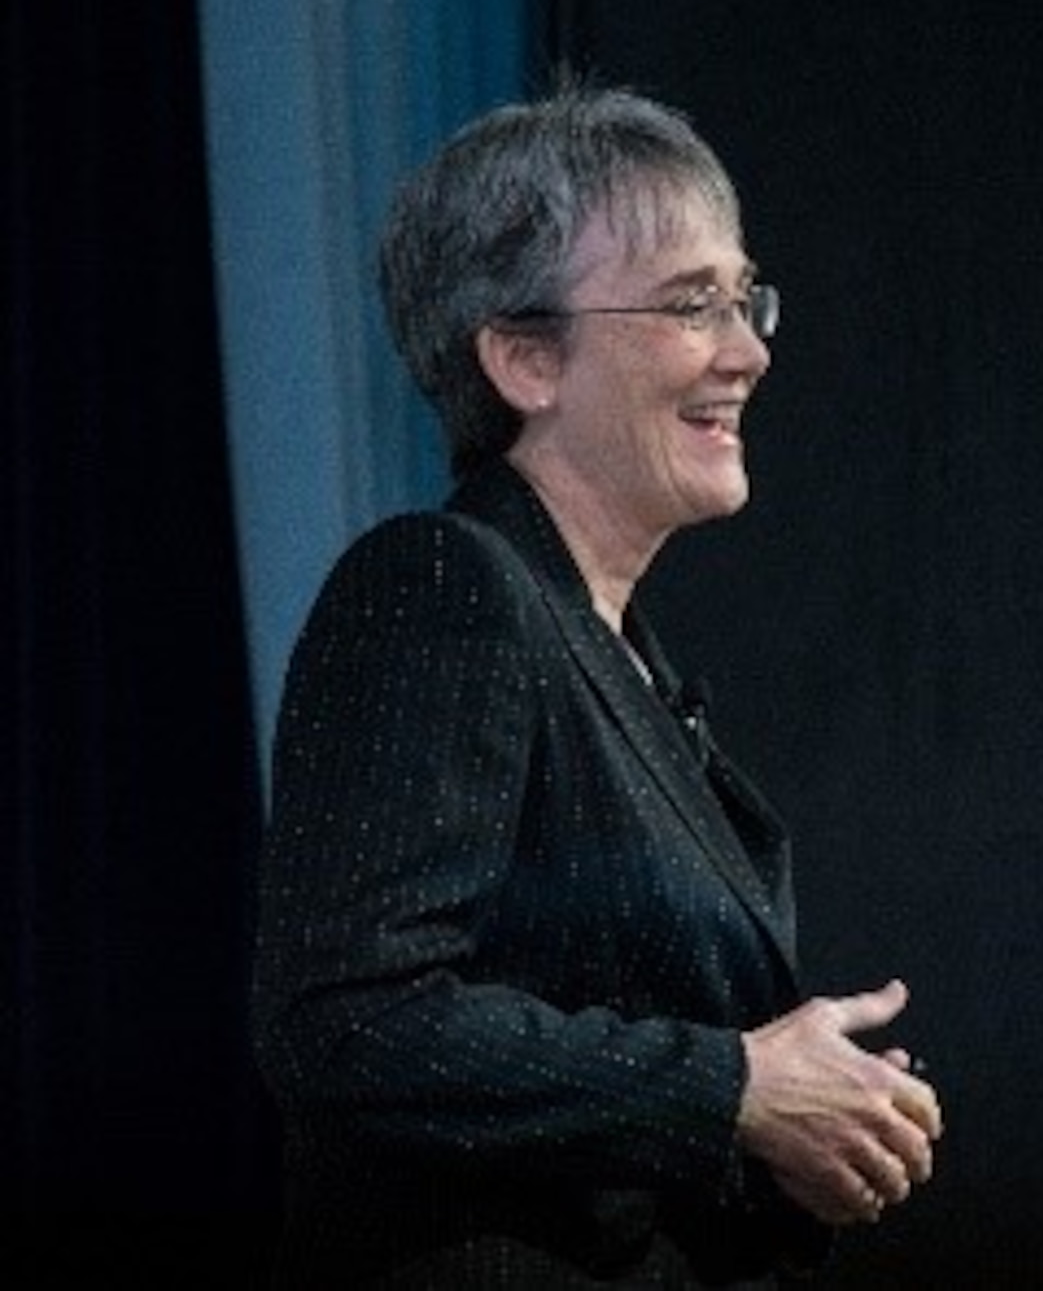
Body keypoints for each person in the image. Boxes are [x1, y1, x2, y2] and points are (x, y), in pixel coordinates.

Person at [250, 82, 943, 1288]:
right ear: (523, 358)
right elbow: (349, 1016)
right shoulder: (440, 586)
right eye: (691, 305)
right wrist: (732, 1085)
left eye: (744, 297)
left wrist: (802, 1123)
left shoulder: (615, 648)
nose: (749, 349)